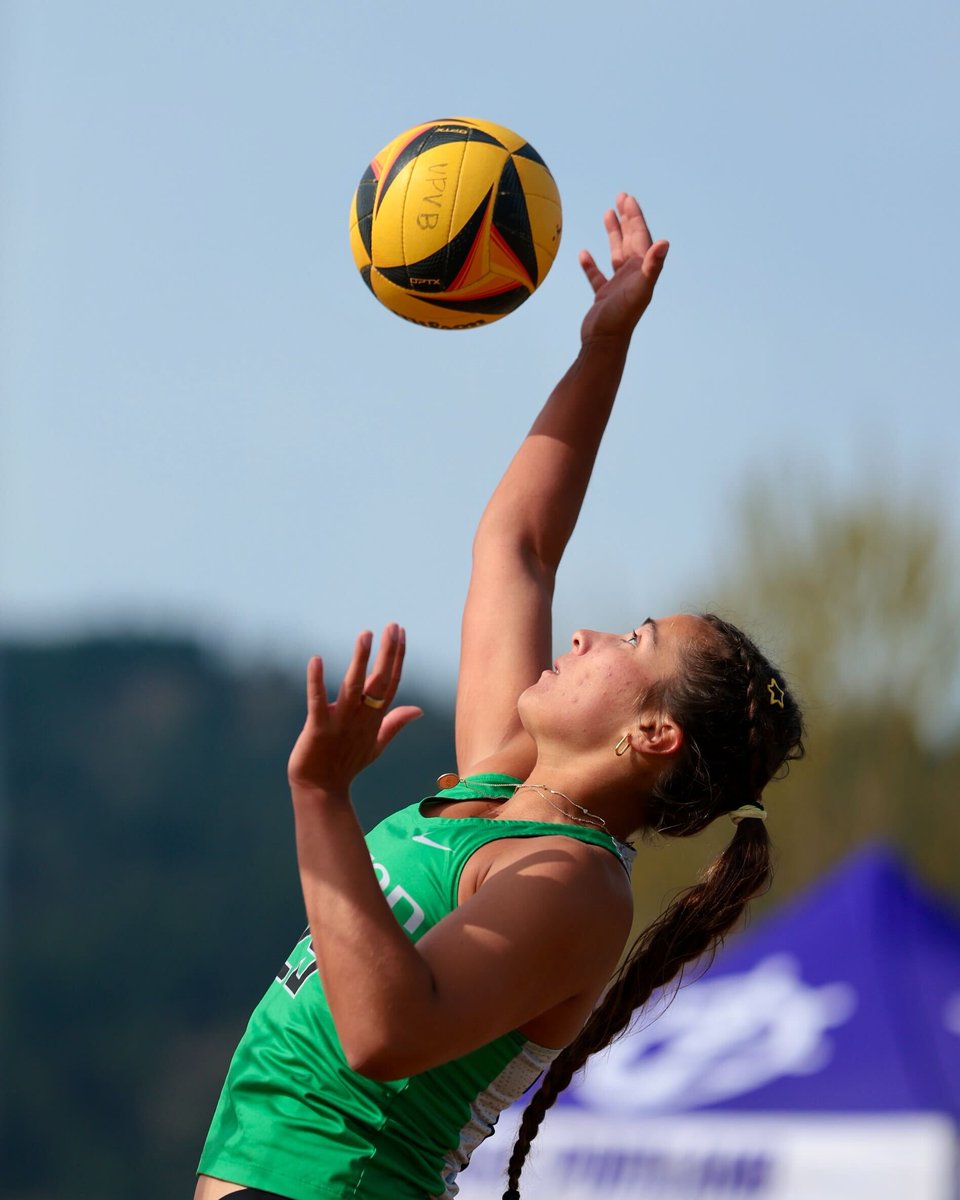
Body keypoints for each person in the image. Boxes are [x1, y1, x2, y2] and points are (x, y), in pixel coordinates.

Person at [195, 194, 804, 1200]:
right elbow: (515, 544)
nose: (588, 632)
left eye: (634, 641)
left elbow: (388, 1031)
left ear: (652, 732)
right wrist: (602, 347)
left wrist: (320, 799)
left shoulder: (575, 889)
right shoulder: (496, 789)